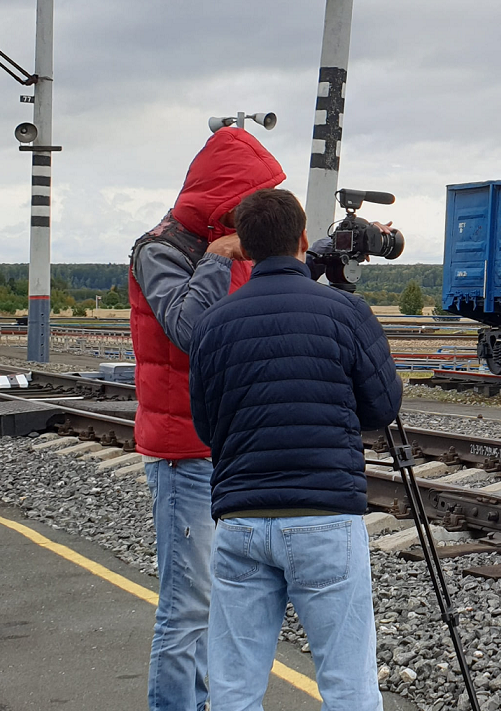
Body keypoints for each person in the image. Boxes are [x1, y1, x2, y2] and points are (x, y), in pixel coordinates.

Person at [188, 189, 402, 711]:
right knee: (348, 683)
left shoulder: (213, 324)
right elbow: (382, 407)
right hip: (326, 517)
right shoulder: (346, 311)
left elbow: (206, 425)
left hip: (240, 520)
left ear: (246, 247)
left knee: (235, 687)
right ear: (303, 238)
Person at [127, 126, 285, 711]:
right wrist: (219, 262)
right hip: (182, 451)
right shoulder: (161, 250)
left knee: (222, 601)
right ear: (224, 200)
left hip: (225, 447)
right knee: (188, 607)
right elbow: (191, 330)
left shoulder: (228, 244)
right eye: (249, 198)